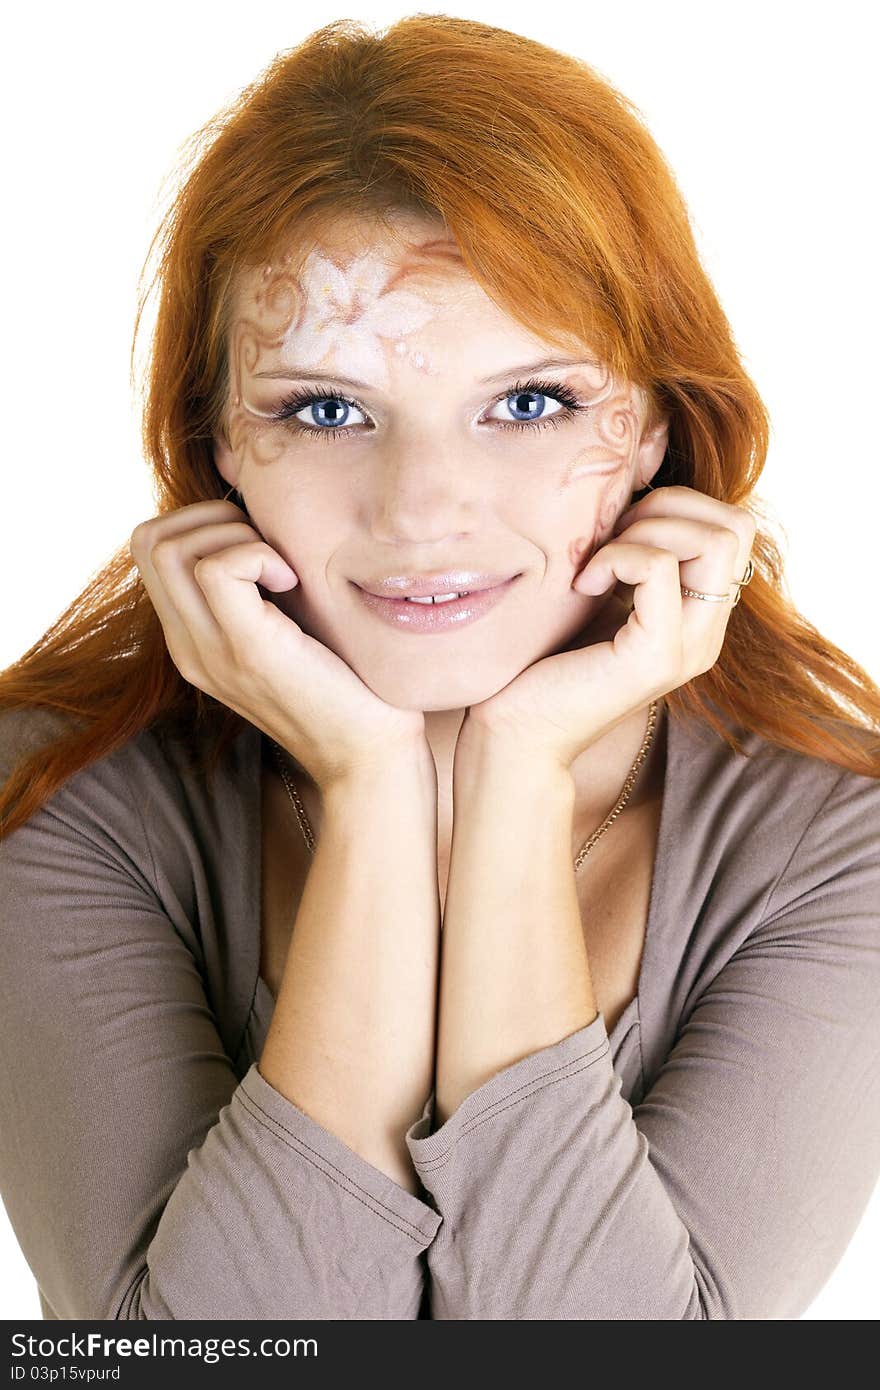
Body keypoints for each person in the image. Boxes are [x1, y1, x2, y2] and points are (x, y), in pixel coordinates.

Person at [1, 14, 878, 1322]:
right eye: (325, 408)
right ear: (216, 443)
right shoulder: (55, 784)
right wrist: (374, 788)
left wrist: (515, 772)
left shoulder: (836, 838)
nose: (423, 509)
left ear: (656, 429)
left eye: (530, 403)